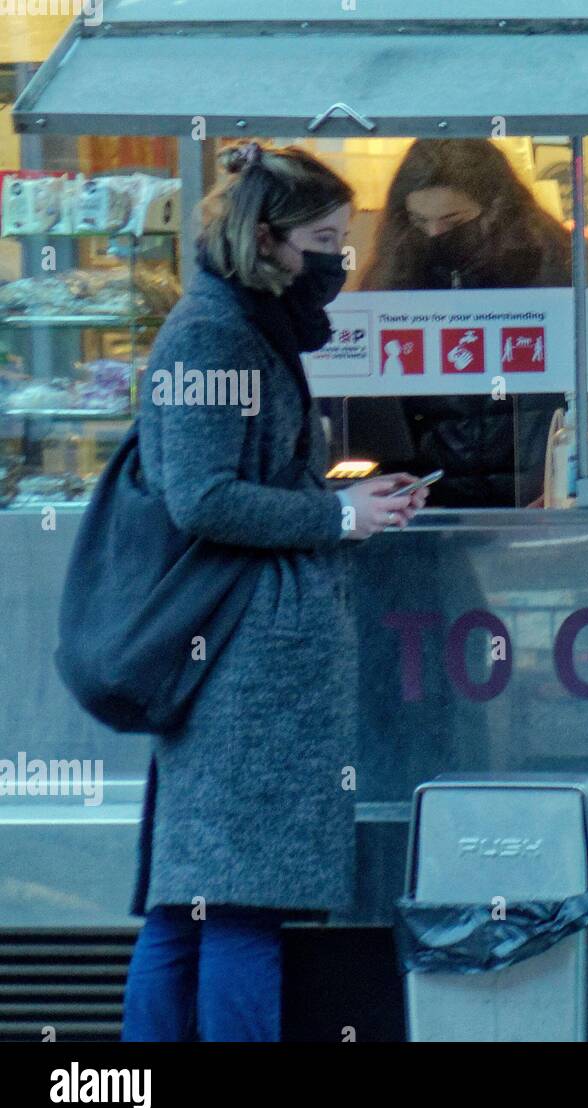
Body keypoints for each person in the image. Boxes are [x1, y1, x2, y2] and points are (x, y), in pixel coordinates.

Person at [121, 141, 428, 1042]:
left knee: (193, 903)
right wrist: (338, 517)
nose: (340, 257)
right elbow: (202, 496)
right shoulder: (215, 333)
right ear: (268, 237)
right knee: (238, 905)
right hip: (241, 664)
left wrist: (345, 499)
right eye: (326, 238)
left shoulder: (239, 322)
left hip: (231, 651)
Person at [356, 139, 588, 507]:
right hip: (431, 510)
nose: (433, 234)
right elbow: (374, 405)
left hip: (543, 500)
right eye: (419, 221)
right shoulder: (397, 272)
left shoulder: (564, 265)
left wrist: (582, 471)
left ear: (496, 207)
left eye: (452, 221)